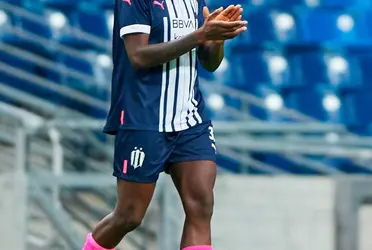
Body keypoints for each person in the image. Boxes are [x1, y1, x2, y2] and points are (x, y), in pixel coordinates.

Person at [82, 0, 247, 249]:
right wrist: (200, 34)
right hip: (144, 117)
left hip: (190, 118)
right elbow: (138, 55)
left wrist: (217, 38)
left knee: (201, 206)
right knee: (129, 216)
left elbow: (210, 63)